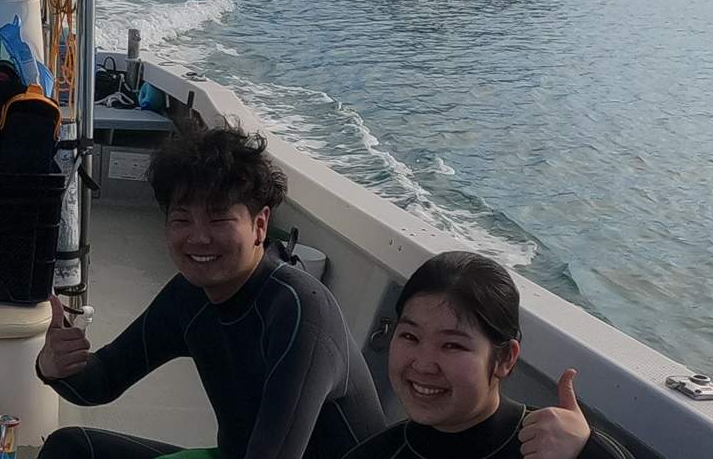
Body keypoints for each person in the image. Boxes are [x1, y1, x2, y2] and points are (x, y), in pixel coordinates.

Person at [39, 127, 384, 459]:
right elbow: (105, 379)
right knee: (71, 449)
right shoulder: (188, 297)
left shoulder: (299, 310)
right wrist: (54, 367)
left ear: (260, 225)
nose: (199, 238)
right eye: (182, 220)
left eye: (219, 220)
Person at [343, 252, 631, 459]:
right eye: (410, 336)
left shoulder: (552, 446)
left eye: (452, 345)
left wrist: (588, 450)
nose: (423, 364)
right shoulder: (378, 453)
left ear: (505, 358)